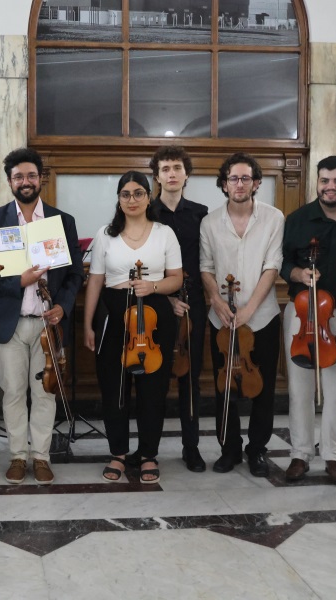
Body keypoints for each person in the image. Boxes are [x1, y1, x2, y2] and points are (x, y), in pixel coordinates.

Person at [0, 147, 83, 485]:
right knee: (13, 392)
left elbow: (75, 274)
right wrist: (19, 281)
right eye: (19, 176)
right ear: (10, 181)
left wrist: (63, 305)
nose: (25, 181)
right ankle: (18, 455)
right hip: (10, 323)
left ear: (40, 179)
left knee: (47, 392)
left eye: (31, 175)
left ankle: (42, 456)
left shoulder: (60, 221)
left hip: (48, 325)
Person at [83, 171, 183, 484]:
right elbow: (96, 280)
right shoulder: (105, 234)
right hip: (113, 313)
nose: (132, 200)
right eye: (125, 194)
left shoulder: (165, 232)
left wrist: (152, 287)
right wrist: (87, 324)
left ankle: (149, 454)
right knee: (114, 388)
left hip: (153, 316)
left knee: (153, 389)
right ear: (118, 199)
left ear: (148, 196)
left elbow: (176, 278)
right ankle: (118, 453)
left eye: (138, 193)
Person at [281, 156, 336, 485]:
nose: (331, 187)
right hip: (302, 314)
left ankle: (334, 457)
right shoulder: (298, 219)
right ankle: (299, 454)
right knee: (299, 389)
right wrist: (298, 272)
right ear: (317, 182)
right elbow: (283, 261)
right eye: (325, 181)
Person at [200, 153, 284, 477]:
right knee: (225, 387)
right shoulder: (209, 222)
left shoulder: (274, 218)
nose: (239, 184)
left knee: (262, 387)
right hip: (220, 319)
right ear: (224, 184)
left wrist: (248, 310)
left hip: (262, 316)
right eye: (233, 178)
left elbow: (272, 266)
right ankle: (229, 448)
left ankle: (257, 449)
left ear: (256, 183)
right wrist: (217, 302)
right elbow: (206, 268)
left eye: (245, 178)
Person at [149, 146, 208, 473]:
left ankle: (191, 447)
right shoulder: (146, 212)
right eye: (165, 168)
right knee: (155, 378)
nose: (171, 173)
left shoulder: (201, 214)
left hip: (194, 304)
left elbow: (206, 261)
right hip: (158, 304)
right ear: (156, 176)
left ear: (186, 174)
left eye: (177, 168)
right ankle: (149, 450)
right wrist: (167, 296)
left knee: (191, 378)